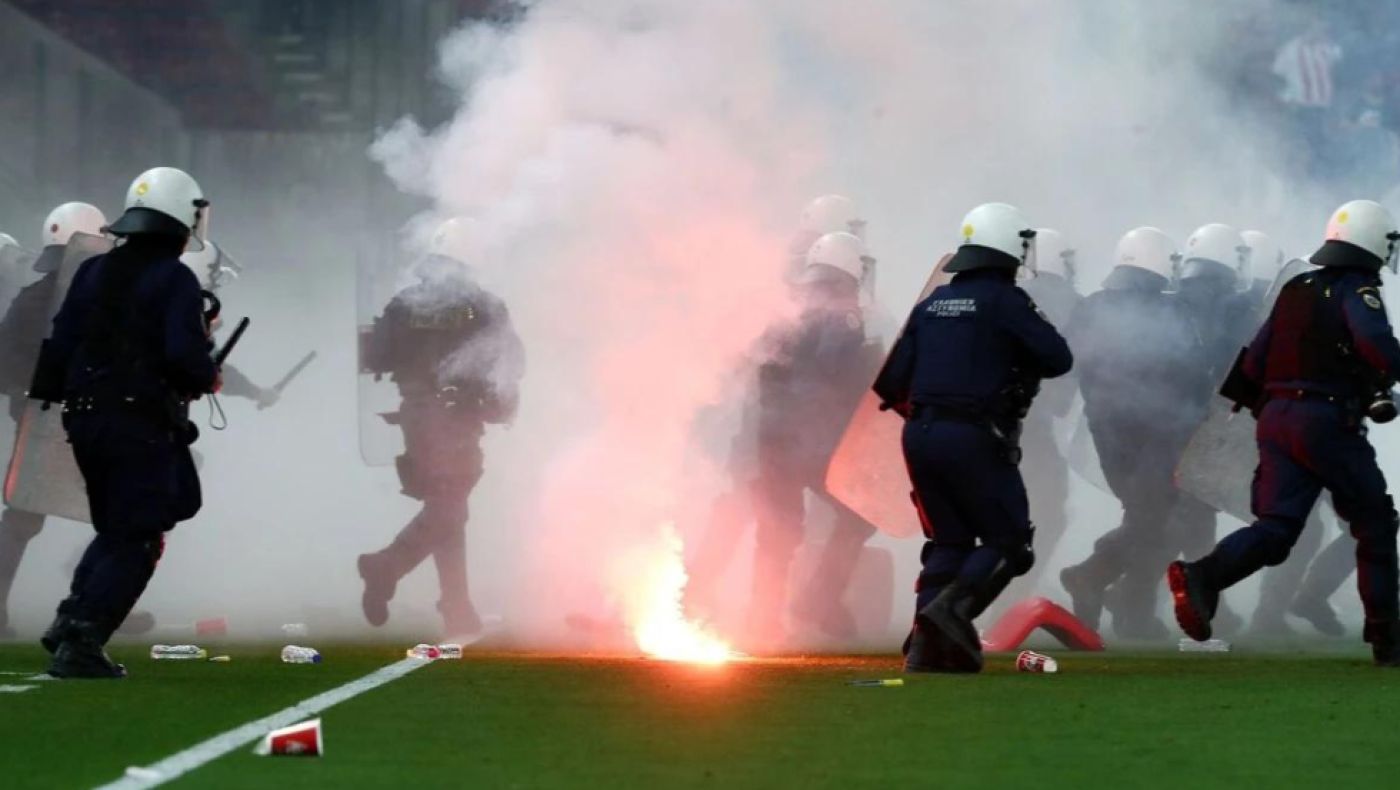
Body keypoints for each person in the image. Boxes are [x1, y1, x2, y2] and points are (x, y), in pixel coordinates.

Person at [1169, 200, 1400, 666]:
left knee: (1276, 527)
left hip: (1274, 421)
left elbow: (1253, 362)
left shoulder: (1297, 287)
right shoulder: (1359, 289)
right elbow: (1377, 347)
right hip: (1329, 422)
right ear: (1374, 240)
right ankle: (1388, 640)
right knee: (1375, 522)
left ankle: (1203, 577)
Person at [875, 203, 1073, 673]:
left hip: (918, 435)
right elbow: (1058, 357)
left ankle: (925, 650)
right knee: (1009, 542)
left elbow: (890, 382)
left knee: (949, 541)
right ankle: (953, 611)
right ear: (1010, 248)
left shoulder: (932, 304)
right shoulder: (1007, 302)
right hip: (974, 435)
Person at [39, 168, 218, 678]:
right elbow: (184, 356)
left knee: (117, 526)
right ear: (182, 218)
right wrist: (208, 373)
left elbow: (61, 344)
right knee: (139, 534)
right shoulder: (174, 277)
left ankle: (71, 619)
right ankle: (84, 640)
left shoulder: (93, 271)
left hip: (84, 420)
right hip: (137, 421)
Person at [357, 218, 524, 640]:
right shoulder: (485, 307)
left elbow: (374, 356)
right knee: (451, 508)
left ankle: (456, 606)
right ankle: (386, 566)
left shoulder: (404, 304)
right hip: (457, 419)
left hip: (415, 416)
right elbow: (513, 361)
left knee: (445, 508)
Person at [1058, 227, 1207, 640]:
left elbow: (1067, 364)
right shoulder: (1169, 312)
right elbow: (1192, 374)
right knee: (1153, 522)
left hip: (1107, 435)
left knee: (1147, 519)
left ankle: (1130, 609)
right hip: (1158, 436)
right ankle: (1092, 578)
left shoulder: (1090, 308)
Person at [745, 231, 883, 647]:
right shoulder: (845, 316)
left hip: (773, 438)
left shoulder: (786, 310)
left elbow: (760, 369)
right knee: (861, 514)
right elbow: (837, 374)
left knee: (777, 531)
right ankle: (820, 599)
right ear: (850, 269)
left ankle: (762, 621)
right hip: (817, 442)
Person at [0, 202, 107, 640]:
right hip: (64, 420)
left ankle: (99, 602)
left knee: (27, 518)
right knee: (117, 514)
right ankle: (96, 606)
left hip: (71, 418)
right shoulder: (55, 302)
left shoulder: (33, 298)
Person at [1167, 222, 1257, 633]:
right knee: (1195, 510)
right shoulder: (1225, 303)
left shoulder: (1172, 297)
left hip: (1159, 417)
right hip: (1196, 418)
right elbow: (1226, 357)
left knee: (1179, 510)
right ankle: (1202, 595)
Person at [1009, 229, 1080, 598]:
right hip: (1030, 427)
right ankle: (1007, 597)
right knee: (1049, 510)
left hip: (999, 421)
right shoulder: (1061, 299)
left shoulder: (1010, 294)